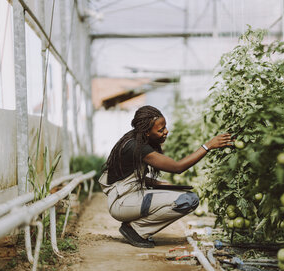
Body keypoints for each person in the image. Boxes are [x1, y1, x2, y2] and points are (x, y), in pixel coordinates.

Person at [99, 105, 232, 248]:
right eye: (161, 130)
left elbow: (124, 177)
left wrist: (156, 183)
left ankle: (134, 228)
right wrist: (208, 146)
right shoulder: (137, 147)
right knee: (189, 200)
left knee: (181, 196)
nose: (166, 132)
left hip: (126, 199)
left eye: (165, 127)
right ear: (147, 132)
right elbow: (177, 167)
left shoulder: (134, 140)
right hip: (122, 203)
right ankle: (135, 229)